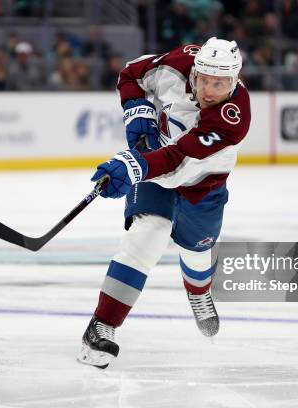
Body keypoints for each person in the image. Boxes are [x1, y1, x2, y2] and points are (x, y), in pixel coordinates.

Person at [77, 37, 251, 369]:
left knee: (198, 252)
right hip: (158, 166)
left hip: (203, 185)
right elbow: (130, 76)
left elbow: (176, 162)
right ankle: (102, 326)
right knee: (149, 233)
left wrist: (134, 165)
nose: (210, 90)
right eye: (204, 80)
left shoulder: (233, 118)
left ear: (234, 81)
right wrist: (137, 112)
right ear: (194, 72)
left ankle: (199, 294)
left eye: (221, 83)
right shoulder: (178, 63)